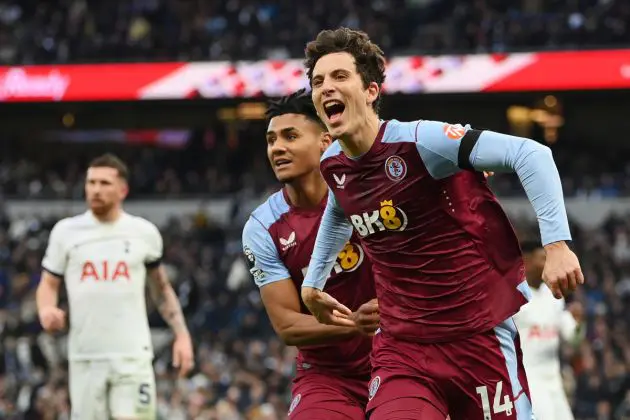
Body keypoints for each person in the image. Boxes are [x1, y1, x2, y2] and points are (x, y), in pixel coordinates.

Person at [299, 28, 584, 419]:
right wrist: (313, 283)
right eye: (317, 81)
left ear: (370, 91)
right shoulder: (334, 163)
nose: (326, 87)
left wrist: (556, 244)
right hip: (403, 349)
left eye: (339, 76)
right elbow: (338, 209)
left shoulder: (421, 142)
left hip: (477, 338)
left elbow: (530, 154)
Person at [241, 90, 379, 419]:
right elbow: (288, 325)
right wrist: (356, 324)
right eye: (271, 139)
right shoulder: (262, 227)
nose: (277, 148)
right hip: (328, 377)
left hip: (401, 360)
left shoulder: (369, 192)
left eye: (291, 136)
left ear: (325, 141)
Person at [36, 154, 194, 420]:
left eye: (104, 183)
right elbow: (48, 283)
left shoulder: (144, 233)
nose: (96, 189)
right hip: (85, 356)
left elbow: (161, 289)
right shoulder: (66, 232)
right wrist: (46, 309)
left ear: (123, 190)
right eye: (91, 182)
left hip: (132, 355)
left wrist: (182, 335)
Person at [513, 240, 584, 420]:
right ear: (526, 261)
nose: (547, 263)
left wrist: (578, 323)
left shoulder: (554, 295)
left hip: (554, 379)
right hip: (529, 379)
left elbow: (572, 338)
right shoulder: (514, 296)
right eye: (542, 259)